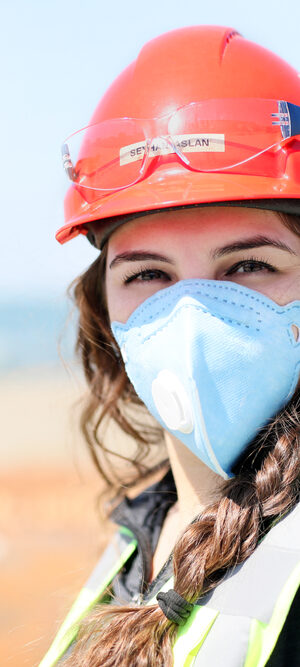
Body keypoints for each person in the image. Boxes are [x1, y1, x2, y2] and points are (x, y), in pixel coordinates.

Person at [41, 25, 300, 667]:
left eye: (248, 266)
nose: (190, 318)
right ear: (105, 308)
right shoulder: (139, 542)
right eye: (149, 275)